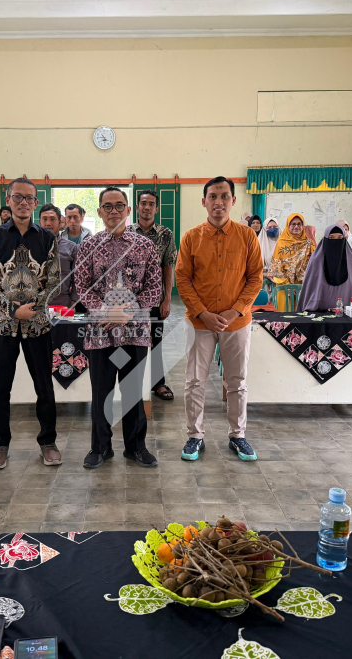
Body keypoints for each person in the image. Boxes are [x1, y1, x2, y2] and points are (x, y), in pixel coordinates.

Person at [176, 176, 263, 462]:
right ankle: (195, 436)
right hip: (199, 323)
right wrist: (203, 313)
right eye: (213, 196)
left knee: (236, 381)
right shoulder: (191, 237)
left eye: (224, 196)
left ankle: (238, 436)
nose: (219, 202)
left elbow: (255, 278)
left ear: (233, 201)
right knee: (194, 381)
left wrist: (235, 310)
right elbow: (183, 279)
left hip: (236, 322)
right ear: (204, 201)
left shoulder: (247, 236)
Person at [75, 187, 163, 469]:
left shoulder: (145, 246)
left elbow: (155, 288)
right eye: (108, 206)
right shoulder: (88, 246)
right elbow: (81, 286)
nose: (114, 211)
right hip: (100, 333)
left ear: (128, 210)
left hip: (134, 333)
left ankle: (136, 447)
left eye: (119, 205)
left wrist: (127, 312)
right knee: (101, 393)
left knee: (133, 391)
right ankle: (100, 448)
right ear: (99, 211)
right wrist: (106, 312)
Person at [0, 178, 61, 470]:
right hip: (2, 326)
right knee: (0, 388)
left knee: (45, 387)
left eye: (29, 198)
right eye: (18, 197)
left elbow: (54, 281)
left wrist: (33, 308)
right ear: (8, 199)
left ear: (36, 202)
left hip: (38, 326)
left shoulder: (48, 238)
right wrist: (13, 310)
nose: (23, 202)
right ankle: (0, 444)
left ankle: (48, 442)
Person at [130, 189, 177, 401]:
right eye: (143, 203)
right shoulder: (127, 232)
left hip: (155, 300)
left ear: (156, 209)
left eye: (151, 204)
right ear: (137, 207)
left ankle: (158, 383)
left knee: (155, 342)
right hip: (130, 301)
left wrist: (167, 299)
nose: (147, 207)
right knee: (131, 342)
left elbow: (168, 267)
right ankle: (133, 382)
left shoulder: (165, 234)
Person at [297, 225, 352, 312]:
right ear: (326, 239)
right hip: (318, 310)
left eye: (340, 237)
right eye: (331, 238)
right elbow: (311, 287)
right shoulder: (316, 259)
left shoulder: (351, 259)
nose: (336, 241)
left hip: (347, 311)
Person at [267, 213, 315, 309]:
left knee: (302, 316)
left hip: (303, 287)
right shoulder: (281, 244)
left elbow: (314, 266)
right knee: (285, 315)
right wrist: (288, 286)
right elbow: (276, 268)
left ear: (303, 225)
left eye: (299, 224)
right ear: (288, 226)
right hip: (284, 286)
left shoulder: (309, 244)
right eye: (293, 224)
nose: (296, 226)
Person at [38, 203, 78, 308]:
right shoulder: (30, 247)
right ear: (39, 222)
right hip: (36, 305)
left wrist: (74, 301)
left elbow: (77, 276)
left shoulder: (71, 247)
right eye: (44, 219)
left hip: (63, 303)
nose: (48, 223)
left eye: (52, 219)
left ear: (60, 223)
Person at [258, 218, 279, 285]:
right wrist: (265, 274)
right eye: (269, 227)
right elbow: (253, 268)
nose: (272, 229)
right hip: (265, 282)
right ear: (264, 229)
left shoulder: (284, 242)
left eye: (275, 226)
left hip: (282, 281)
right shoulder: (259, 245)